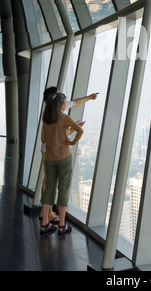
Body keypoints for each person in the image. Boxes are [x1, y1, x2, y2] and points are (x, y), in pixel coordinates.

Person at [40, 87, 99, 223]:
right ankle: (52, 217)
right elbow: (54, 137)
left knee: (48, 182)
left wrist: (89, 97)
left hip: (48, 151)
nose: (63, 96)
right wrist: (70, 132)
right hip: (56, 151)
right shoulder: (59, 114)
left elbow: (76, 102)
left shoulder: (50, 113)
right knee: (56, 185)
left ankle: (46, 215)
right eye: (60, 93)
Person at [40, 93, 84, 234]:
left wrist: (62, 132)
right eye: (65, 103)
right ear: (61, 105)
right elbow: (80, 130)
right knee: (63, 189)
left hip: (50, 158)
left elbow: (44, 139)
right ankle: (62, 225)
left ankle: (45, 223)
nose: (66, 105)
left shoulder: (46, 119)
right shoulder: (65, 117)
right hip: (64, 157)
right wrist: (72, 141)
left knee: (49, 189)